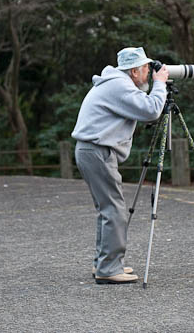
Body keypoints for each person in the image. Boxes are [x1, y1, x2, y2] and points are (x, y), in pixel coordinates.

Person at [72, 47, 169, 284]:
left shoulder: (113, 83)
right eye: (146, 69)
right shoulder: (119, 85)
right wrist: (160, 84)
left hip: (92, 150)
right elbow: (151, 110)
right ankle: (108, 269)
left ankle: (106, 264)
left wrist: (156, 84)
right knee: (114, 209)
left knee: (108, 209)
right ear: (134, 71)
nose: (149, 73)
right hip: (97, 151)